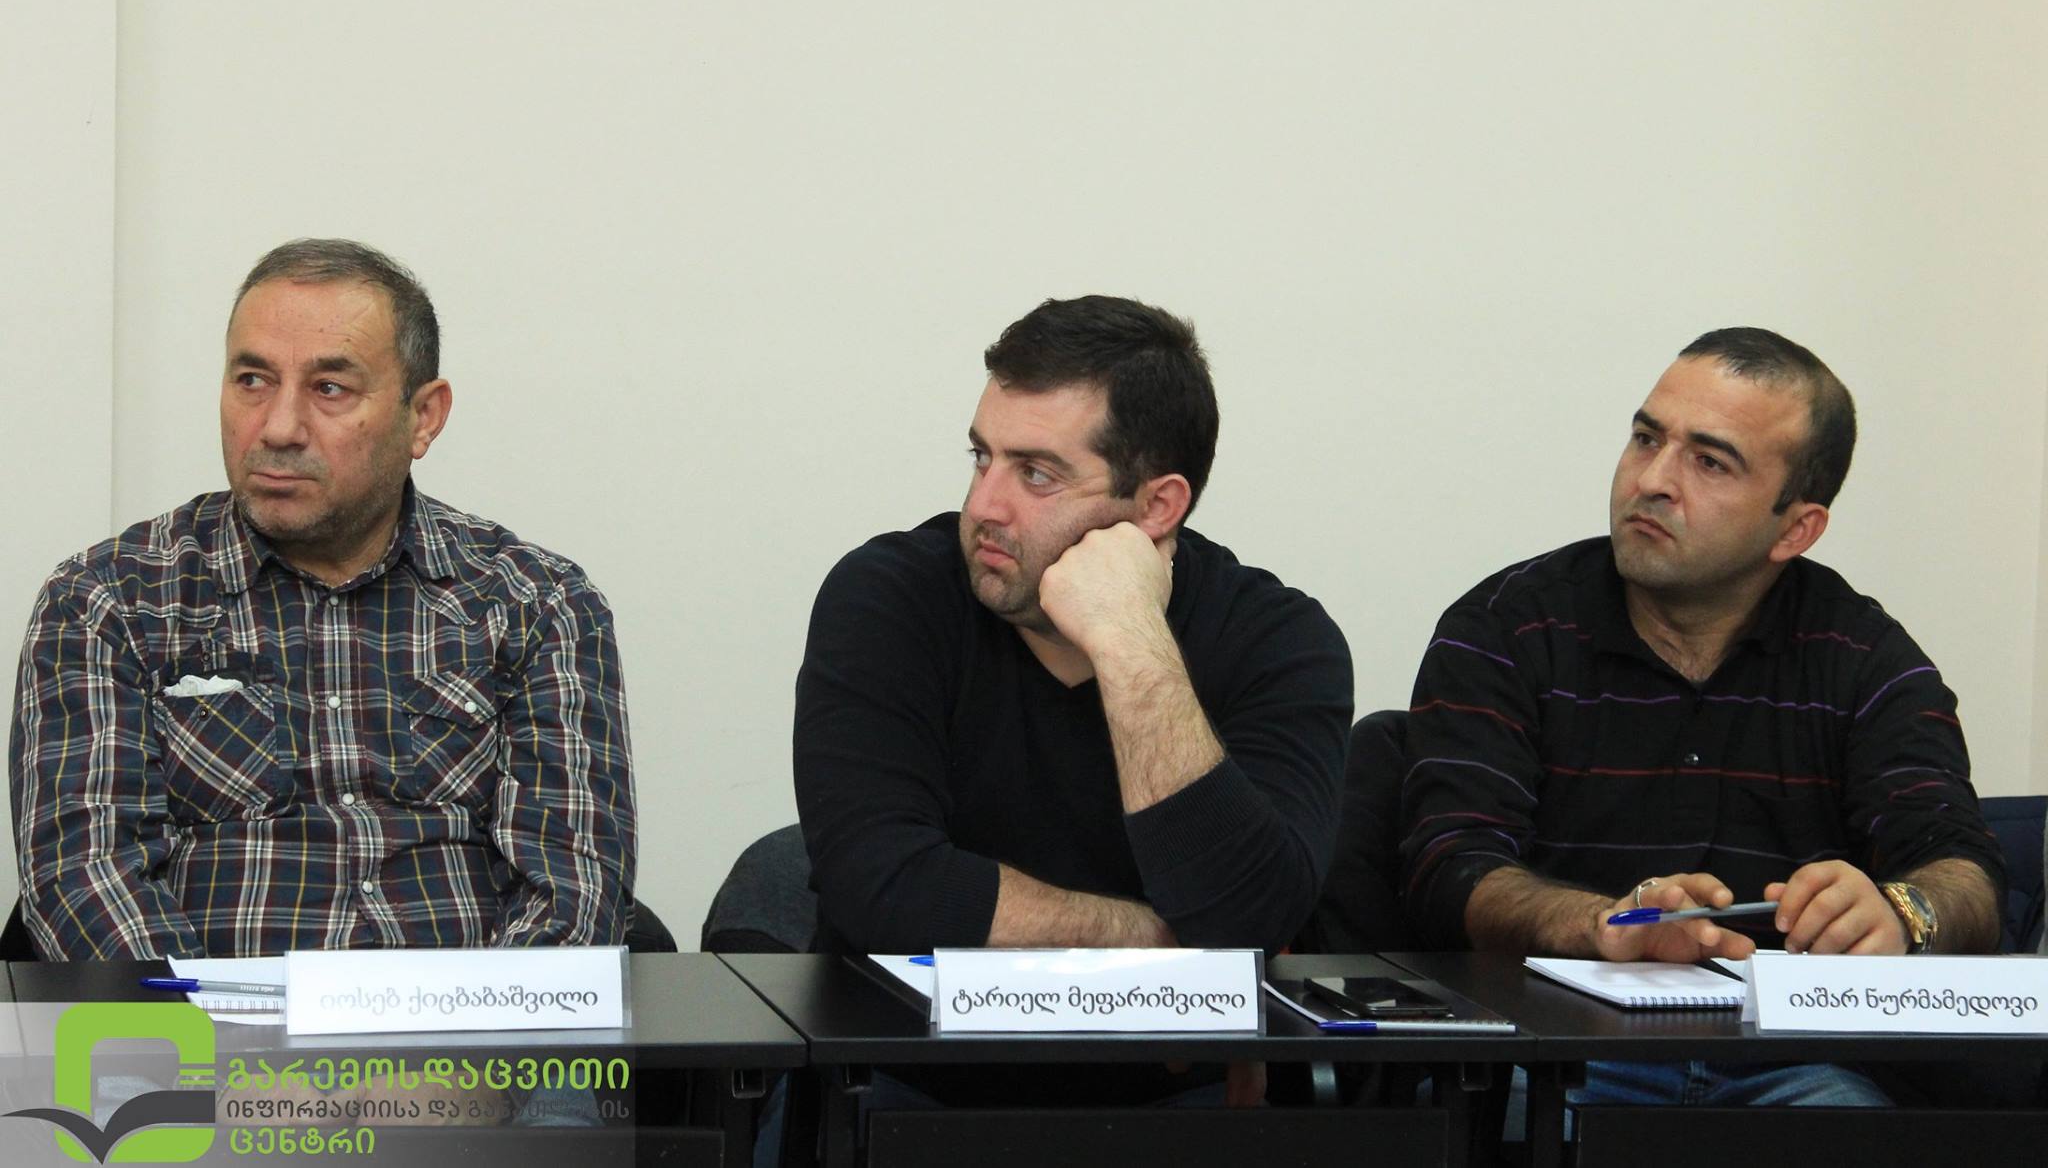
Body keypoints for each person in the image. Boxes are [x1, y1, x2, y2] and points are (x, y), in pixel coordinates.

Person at [1397, 327, 2003, 1109]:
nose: (1652, 479)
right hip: (1558, 1055)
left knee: (1852, 1128)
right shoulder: (1506, 627)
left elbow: (1966, 870)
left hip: (1795, 1062)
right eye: (1647, 438)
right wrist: (1602, 923)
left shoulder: (1865, 657)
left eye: (1709, 461)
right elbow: (1449, 866)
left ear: (1796, 528)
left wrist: (1903, 910)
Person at [792, 294, 1350, 1104]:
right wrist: (1157, 941)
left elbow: (1251, 915)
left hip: (1174, 1102)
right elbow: (882, 884)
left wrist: (1128, 638)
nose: (984, 505)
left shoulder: (1278, 640)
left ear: (1157, 505)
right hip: (910, 1086)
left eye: (1036, 473)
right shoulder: (887, 599)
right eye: (982, 457)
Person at [11, 239, 636, 958]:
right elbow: (85, 884)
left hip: (472, 1024)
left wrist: (472, 1034)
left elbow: (574, 892)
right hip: (197, 1024)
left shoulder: (536, 603)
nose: (279, 428)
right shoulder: (108, 601)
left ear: (423, 416)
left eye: (329, 388)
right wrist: (216, 1033)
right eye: (252, 380)